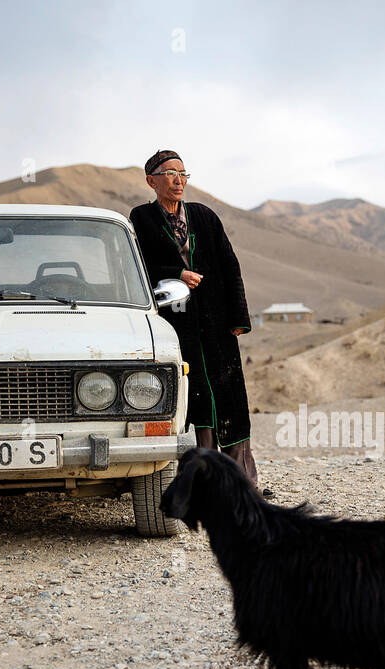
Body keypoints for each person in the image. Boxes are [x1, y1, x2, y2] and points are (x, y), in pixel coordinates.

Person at [130, 149, 260, 485]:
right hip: (177, 324)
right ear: (151, 181)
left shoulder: (203, 216)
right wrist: (177, 272)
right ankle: (204, 480)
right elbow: (138, 267)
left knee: (228, 395)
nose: (178, 180)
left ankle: (242, 481)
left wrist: (238, 318)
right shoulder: (141, 218)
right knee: (195, 395)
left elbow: (230, 265)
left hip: (216, 324)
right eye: (170, 173)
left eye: (183, 174)